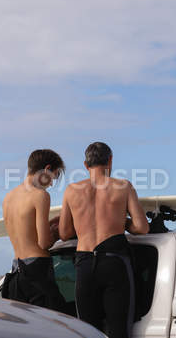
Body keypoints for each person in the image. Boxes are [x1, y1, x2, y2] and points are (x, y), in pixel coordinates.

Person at [59, 142, 149, 338]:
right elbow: (142, 228)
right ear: (110, 160)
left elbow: (64, 233)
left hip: (84, 262)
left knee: (87, 331)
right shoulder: (123, 186)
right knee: (119, 330)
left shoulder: (71, 190)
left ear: (85, 164)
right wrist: (122, 223)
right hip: (114, 261)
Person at [1, 149, 67, 312]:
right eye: (54, 176)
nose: (51, 183)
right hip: (38, 272)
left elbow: (25, 231)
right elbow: (44, 243)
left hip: (16, 272)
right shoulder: (40, 195)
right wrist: (59, 233)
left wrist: (47, 225)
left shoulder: (8, 198)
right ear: (47, 169)